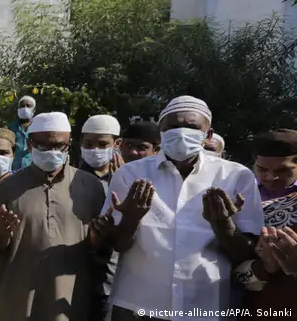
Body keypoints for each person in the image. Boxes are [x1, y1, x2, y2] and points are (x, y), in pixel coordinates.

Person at [102, 96, 263, 321]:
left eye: (192, 127)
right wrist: (131, 218)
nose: (181, 133)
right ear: (161, 132)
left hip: (206, 306)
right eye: (173, 127)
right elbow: (117, 245)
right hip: (138, 304)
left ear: (208, 134)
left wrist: (222, 225)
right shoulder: (130, 174)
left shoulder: (236, 176)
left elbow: (246, 252)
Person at [0, 112, 106, 321]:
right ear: (30, 145)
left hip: (70, 299)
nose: (52, 151)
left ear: (69, 145)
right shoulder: (5, 188)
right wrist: (1, 234)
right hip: (18, 299)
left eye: (59, 146)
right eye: (44, 145)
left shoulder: (90, 185)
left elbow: (100, 246)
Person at [233, 130, 297, 317]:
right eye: (262, 169)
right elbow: (234, 267)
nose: (269, 177)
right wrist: (265, 266)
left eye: (281, 171)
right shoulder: (241, 194)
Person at [78, 114, 123, 321]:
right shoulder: (71, 178)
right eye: (89, 144)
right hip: (76, 273)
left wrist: (121, 182)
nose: (95, 149)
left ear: (116, 144)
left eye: (102, 144)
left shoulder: (126, 178)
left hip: (110, 277)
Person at [7, 96, 35, 171]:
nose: (25, 108)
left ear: (34, 109)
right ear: (18, 109)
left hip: (34, 168)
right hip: (15, 168)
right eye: (22, 106)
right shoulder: (11, 127)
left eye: (28, 106)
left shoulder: (38, 127)